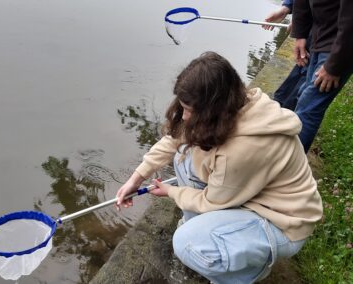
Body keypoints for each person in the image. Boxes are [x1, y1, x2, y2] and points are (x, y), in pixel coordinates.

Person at [116, 52, 323, 284]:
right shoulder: (239, 104)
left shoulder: (244, 149)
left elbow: (210, 201)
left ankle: (243, 275)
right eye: (183, 107)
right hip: (249, 193)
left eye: (189, 110)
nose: (184, 116)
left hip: (283, 223)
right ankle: (210, 231)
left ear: (213, 109)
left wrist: (172, 192)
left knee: (186, 244)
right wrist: (136, 177)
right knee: (183, 157)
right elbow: (175, 139)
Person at [291, 0, 353, 153]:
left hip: (342, 46)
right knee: (303, 96)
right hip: (320, 37)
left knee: (308, 108)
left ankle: (288, 169)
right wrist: (300, 34)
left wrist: (334, 65)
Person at [263, 0, 311, 111]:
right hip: (313, 31)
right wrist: (286, 8)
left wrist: (303, 20)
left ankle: (289, 114)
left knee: (308, 81)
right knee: (302, 65)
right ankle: (278, 106)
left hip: (331, 35)